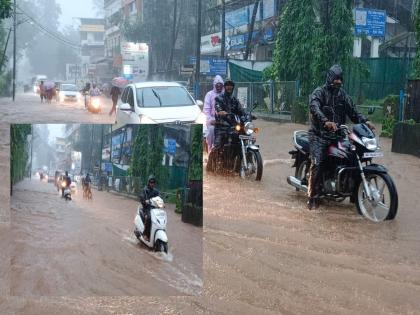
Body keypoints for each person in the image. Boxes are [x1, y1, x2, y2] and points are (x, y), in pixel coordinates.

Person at [307, 64, 375, 210]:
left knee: (353, 156)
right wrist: (325, 122)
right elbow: (314, 108)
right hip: (319, 135)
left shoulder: (342, 95)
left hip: (338, 135)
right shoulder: (319, 92)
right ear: (330, 77)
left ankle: (353, 193)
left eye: (340, 79)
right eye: (336, 78)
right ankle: (312, 198)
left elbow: (353, 112)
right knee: (318, 163)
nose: (338, 81)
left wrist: (365, 121)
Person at [213, 79, 246, 150]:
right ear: (224, 87)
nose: (229, 87)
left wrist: (248, 115)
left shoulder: (235, 100)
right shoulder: (219, 98)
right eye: (227, 85)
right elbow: (218, 107)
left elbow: (241, 110)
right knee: (217, 147)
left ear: (233, 87)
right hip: (222, 126)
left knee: (244, 134)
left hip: (233, 126)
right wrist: (221, 112)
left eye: (231, 85)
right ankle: (213, 158)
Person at [203, 75, 224, 152]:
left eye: (220, 85)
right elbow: (206, 110)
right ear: (214, 85)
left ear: (223, 85)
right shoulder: (209, 94)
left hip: (225, 119)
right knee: (211, 130)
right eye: (217, 85)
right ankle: (210, 149)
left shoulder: (226, 94)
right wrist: (210, 120)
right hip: (213, 119)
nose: (219, 87)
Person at [139, 175, 160, 242]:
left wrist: (162, 202)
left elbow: (159, 197)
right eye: (151, 182)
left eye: (153, 182)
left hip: (155, 209)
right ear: (148, 182)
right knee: (149, 217)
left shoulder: (156, 191)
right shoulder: (145, 190)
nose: (152, 184)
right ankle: (145, 234)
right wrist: (144, 200)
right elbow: (141, 196)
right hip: (147, 208)